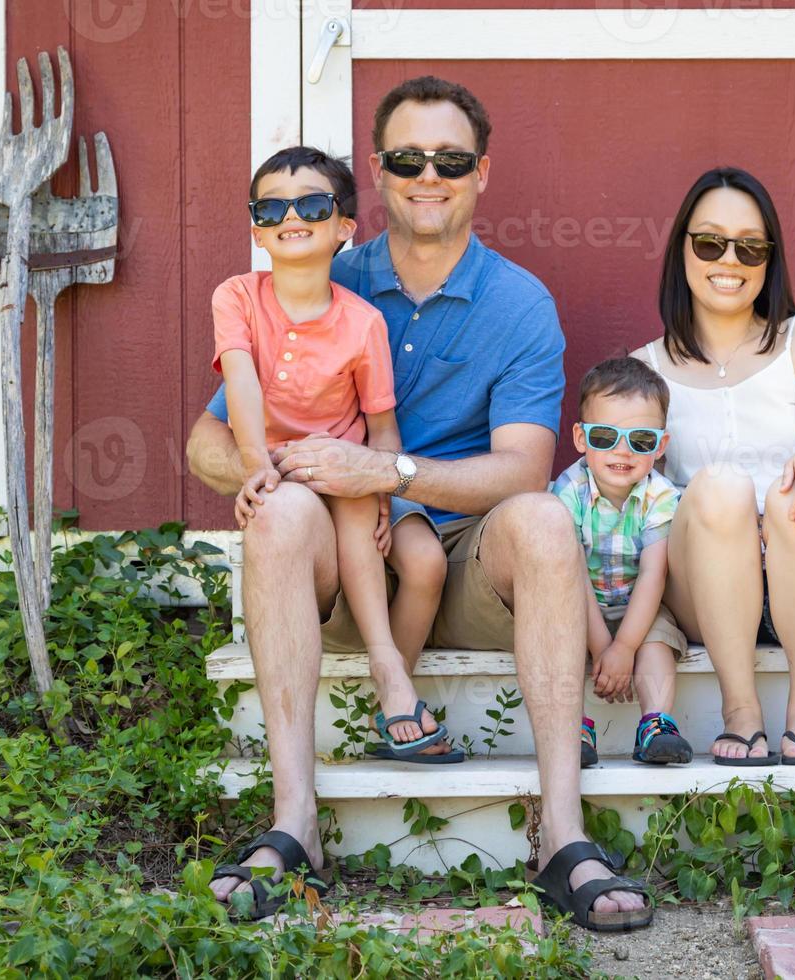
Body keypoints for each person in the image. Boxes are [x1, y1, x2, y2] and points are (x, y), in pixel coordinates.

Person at [187, 76, 653, 929]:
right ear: (376, 173)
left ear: (483, 173)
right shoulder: (319, 266)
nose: (427, 174)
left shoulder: (518, 304)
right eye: (407, 158)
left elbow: (522, 467)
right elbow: (207, 442)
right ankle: (295, 825)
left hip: (469, 562)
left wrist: (386, 474)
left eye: (450, 158)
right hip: (342, 565)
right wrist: (267, 473)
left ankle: (562, 833)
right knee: (283, 511)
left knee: (547, 518)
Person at [211, 145, 454, 766]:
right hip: (280, 468)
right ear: (256, 227)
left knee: (351, 499)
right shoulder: (236, 296)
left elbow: (380, 426)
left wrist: (380, 490)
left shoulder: (362, 321)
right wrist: (253, 462)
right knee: (297, 497)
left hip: (343, 467)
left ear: (344, 227)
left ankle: (388, 669)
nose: (291, 215)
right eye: (271, 206)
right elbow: (239, 380)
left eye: (312, 204)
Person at [633, 166, 795, 767]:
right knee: (718, 486)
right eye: (711, 241)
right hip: (708, 589)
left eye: (751, 246)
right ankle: (741, 712)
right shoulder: (645, 369)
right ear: (683, 250)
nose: (730, 260)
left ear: (769, 259)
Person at [550, 357, 692, 768]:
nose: (623, 451)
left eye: (641, 440)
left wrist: (626, 645)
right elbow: (571, 572)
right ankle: (571, 726)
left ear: (661, 445)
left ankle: (656, 725)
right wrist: (601, 647)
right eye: (606, 436)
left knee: (658, 641)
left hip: (640, 606)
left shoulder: (661, 497)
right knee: (561, 635)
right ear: (580, 437)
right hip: (580, 600)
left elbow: (654, 573)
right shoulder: (569, 490)